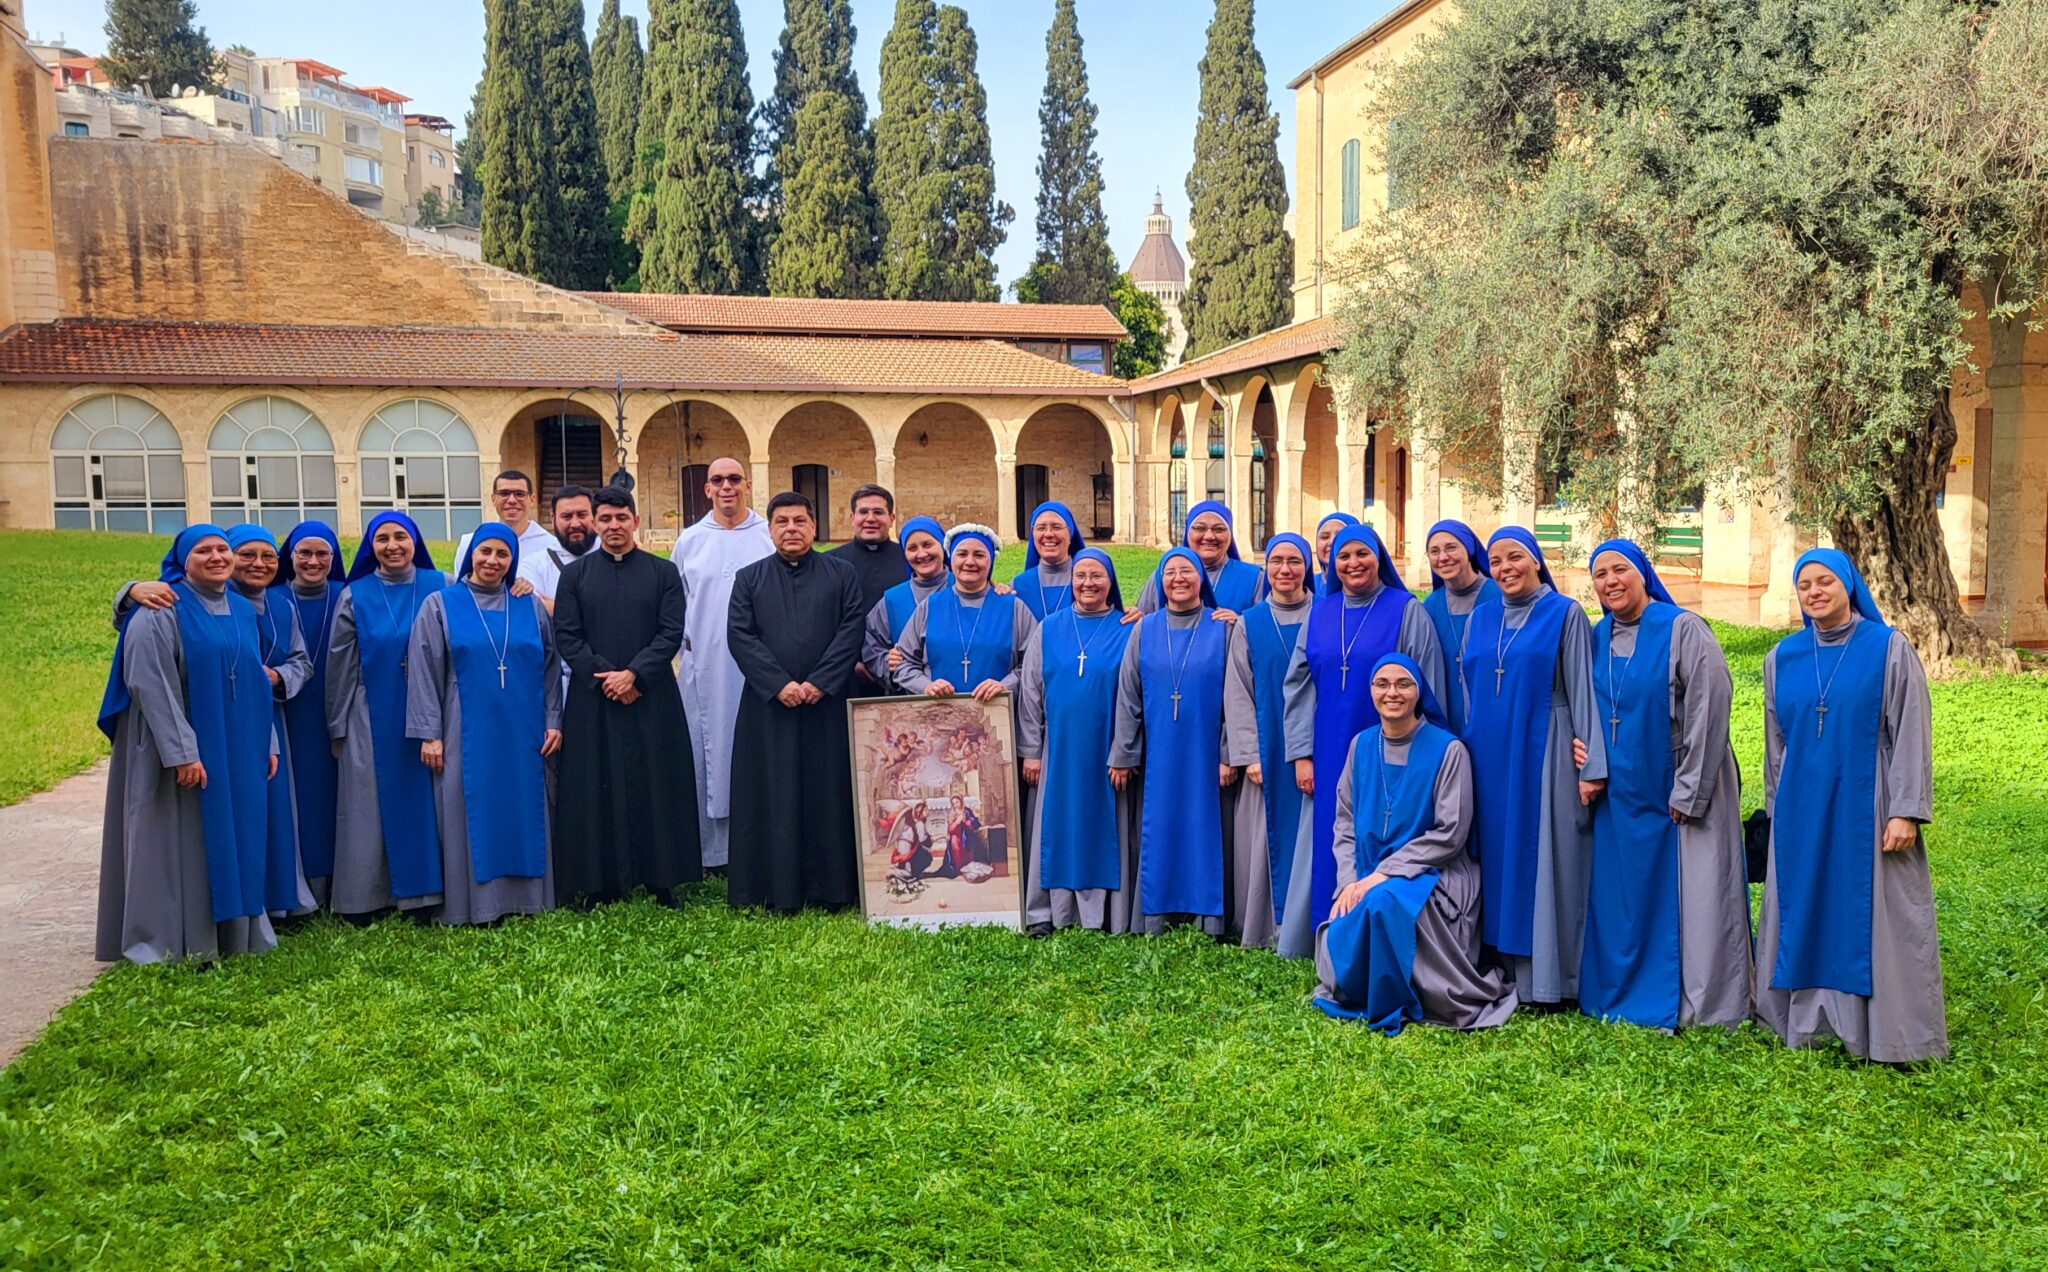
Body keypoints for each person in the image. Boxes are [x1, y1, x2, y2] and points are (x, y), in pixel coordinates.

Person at [1755, 548, 1945, 1063]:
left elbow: (1910, 730)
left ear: (1849, 585)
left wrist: (1905, 809)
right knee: (1806, 903)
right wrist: (1777, 809)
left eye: (1825, 582)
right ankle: (1809, 1022)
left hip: (1871, 800)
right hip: (1803, 805)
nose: (1814, 592)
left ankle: (1884, 1030)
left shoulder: (1888, 648)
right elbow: (1776, 743)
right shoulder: (1782, 657)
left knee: (1875, 912)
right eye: (1804, 585)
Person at [1579, 539, 1752, 1032]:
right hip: (1621, 790)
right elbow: (1583, 706)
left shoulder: (1683, 629)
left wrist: (1690, 789)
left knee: (1696, 893)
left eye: (1619, 570)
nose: (1610, 582)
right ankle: (1626, 990)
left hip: (1681, 777)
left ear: (1643, 574)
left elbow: (1709, 706)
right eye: (1599, 575)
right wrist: (1584, 753)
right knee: (1626, 896)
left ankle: (1702, 1003)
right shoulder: (1596, 636)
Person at [97, 524, 279, 963]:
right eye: (203, 551)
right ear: (182, 560)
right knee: (178, 844)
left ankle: (236, 935)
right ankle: (170, 940)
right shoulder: (160, 609)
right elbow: (149, 684)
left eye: (222, 549)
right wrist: (182, 753)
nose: (216, 557)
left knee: (237, 834)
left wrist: (268, 741)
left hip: (236, 744)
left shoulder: (241, 608)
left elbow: (254, 678)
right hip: (181, 748)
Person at [1312, 654, 1518, 1033]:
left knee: (1383, 901)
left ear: (1419, 691)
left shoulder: (1449, 750)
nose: (1392, 693)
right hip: (1369, 873)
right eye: (1382, 684)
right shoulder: (1361, 746)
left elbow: (1450, 833)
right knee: (1365, 901)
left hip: (1435, 872)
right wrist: (1349, 881)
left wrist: (1383, 875)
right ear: (1371, 691)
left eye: (1403, 684)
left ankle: (1395, 997)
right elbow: (1344, 823)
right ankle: (1361, 985)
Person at [1278, 522, 1446, 958]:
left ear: (1379, 558)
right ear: (1332, 563)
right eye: (1344, 556)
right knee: (1330, 834)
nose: (1353, 563)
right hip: (1328, 746)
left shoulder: (1406, 610)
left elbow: (1426, 682)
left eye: (1362, 554)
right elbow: (1298, 686)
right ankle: (1327, 927)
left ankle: (1377, 933)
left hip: (1392, 747)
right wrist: (1301, 753)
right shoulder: (1321, 611)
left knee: (1384, 829)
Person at [1463, 527, 1606, 1008]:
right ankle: (1497, 966)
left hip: (1545, 746)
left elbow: (1583, 687)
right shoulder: (1481, 617)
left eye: (1515, 557)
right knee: (1495, 853)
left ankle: (1547, 978)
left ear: (1537, 560)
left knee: (1547, 855)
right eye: (1496, 561)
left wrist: (1592, 765)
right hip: (1487, 753)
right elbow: (1469, 688)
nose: (1505, 568)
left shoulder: (1564, 613)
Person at [406, 523, 562, 926]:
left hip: (525, 728)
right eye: (485, 551)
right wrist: (429, 734)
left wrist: (553, 720)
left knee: (524, 805)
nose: (492, 561)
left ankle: (528, 900)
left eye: (502, 554)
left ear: (513, 560)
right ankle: (474, 905)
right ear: (471, 554)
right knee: (470, 807)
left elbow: (549, 668)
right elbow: (423, 670)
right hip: (463, 726)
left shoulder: (528, 605)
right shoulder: (441, 605)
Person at [554, 485, 702, 904]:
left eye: (622, 518)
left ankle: (662, 878)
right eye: (605, 519)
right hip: (594, 698)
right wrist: (608, 678)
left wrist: (634, 674)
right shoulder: (575, 576)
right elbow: (568, 635)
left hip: (651, 694)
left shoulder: (663, 573)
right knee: (595, 783)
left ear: (635, 521)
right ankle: (600, 882)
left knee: (656, 781)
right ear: (594, 524)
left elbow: (671, 632)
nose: (614, 526)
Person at [725, 491, 870, 912]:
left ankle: (833, 889)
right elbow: (740, 635)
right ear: (769, 530)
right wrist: (779, 684)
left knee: (829, 790)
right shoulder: (749, 578)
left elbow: (851, 628)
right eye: (782, 522)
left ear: (813, 526)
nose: (791, 529)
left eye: (799, 521)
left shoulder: (841, 574)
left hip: (827, 705)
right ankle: (774, 889)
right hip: (770, 707)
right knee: (773, 792)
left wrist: (821, 682)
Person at [1110, 548, 1256, 935]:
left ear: (1201, 579)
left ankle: (1208, 915)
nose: (1178, 578)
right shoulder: (1144, 629)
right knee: (1160, 826)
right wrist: (1124, 752)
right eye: (1170, 572)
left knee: (1204, 827)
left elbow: (1235, 696)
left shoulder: (1223, 627)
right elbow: (1128, 695)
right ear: (1160, 581)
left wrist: (1228, 753)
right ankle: (1158, 913)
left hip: (1205, 752)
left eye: (1187, 571)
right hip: (1158, 752)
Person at [327, 511, 446, 918]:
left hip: (435, 713)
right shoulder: (354, 595)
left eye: (401, 537)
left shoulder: (443, 585)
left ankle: (428, 894)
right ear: (370, 546)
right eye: (383, 539)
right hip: (369, 713)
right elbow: (340, 666)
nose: (393, 545)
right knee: (368, 804)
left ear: (415, 542)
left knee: (430, 801)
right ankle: (368, 898)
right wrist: (337, 726)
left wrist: (519, 583)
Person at [1018, 547, 1137, 934]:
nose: (1088, 583)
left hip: (1106, 749)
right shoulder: (1048, 628)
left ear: (1110, 582)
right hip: (1059, 750)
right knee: (1056, 828)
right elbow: (1031, 692)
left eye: (1097, 576)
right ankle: (1047, 912)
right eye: (1081, 576)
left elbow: (1134, 696)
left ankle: (1104, 915)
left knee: (1103, 828)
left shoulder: (1127, 629)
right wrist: (1031, 751)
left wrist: (1124, 751)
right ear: (1071, 581)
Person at [668, 457, 774, 869]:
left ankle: (758, 844)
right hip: (705, 667)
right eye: (718, 480)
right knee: (705, 755)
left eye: (734, 479)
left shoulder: (768, 535)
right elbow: (676, 605)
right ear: (707, 489)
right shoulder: (690, 541)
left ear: (747, 485)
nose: (726, 486)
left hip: (760, 669)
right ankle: (712, 851)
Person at [1226, 532, 1315, 951]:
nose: (1285, 569)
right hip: (1266, 746)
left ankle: (1308, 922)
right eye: (1277, 561)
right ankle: (1266, 926)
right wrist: (1250, 754)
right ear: (1266, 569)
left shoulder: (1325, 613)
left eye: (1294, 561)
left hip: (1314, 746)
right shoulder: (1249, 622)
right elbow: (1238, 692)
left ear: (1307, 567)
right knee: (1266, 838)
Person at [225, 524, 316, 917]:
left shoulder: (282, 606)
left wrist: (277, 676)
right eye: (247, 555)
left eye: (267, 556)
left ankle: (276, 901)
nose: (258, 564)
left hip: (269, 717)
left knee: (274, 808)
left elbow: (302, 662)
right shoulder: (213, 599)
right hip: (224, 719)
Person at [275, 521, 346, 904]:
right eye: (304, 553)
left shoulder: (347, 595)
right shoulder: (271, 598)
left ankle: (335, 883)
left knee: (331, 797)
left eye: (322, 554)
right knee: (293, 796)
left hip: (336, 708)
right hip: (286, 710)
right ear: (290, 556)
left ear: (334, 558)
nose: (313, 561)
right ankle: (293, 884)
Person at [892, 526, 1036, 702]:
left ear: (991, 560)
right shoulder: (929, 607)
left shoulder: (1014, 608)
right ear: (951, 559)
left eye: (979, 555)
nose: (970, 562)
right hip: (938, 712)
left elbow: (1034, 663)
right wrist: (925, 686)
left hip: (997, 713)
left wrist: (1006, 686)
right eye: (962, 554)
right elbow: (903, 663)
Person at [1419, 519, 1502, 735]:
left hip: (1493, 712)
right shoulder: (1430, 606)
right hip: (1446, 714)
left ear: (1469, 548)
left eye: (1451, 548)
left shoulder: (1500, 596)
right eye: (1434, 551)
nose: (1443, 557)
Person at [862, 515, 948, 689]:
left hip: (964, 692)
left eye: (928, 545)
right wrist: (885, 661)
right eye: (912, 548)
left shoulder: (967, 589)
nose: (921, 554)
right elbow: (871, 644)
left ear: (943, 546)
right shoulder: (893, 599)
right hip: (910, 695)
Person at [1134, 501, 1265, 615]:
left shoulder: (1254, 578)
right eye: (1200, 528)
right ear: (1187, 533)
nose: (1209, 536)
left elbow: (1267, 626)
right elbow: (1141, 623)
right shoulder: (1163, 576)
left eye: (1219, 529)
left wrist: (1241, 623)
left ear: (1230, 536)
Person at [455, 470, 564, 605]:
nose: (512, 500)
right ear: (493, 498)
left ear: (532, 499)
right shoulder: (470, 543)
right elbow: (461, 590)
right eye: (504, 493)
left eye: (519, 494)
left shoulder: (551, 546)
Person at [840, 483, 910, 615]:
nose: (870, 519)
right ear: (852, 518)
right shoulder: (831, 563)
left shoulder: (909, 559)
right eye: (863, 512)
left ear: (891, 519)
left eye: (878, 512)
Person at [1011, 500, 1084, 619]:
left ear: (1070, 533)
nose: (1048, 534)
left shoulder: (1088, 583)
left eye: (1056, 527)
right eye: (1041, 528)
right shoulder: (1017, 586)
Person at [548, 486, 599, 563]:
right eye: (567, 516)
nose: (575, 524)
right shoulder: (536, 566)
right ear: (553, 519)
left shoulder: (614, 558)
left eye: (582, 515)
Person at [1313, 512, 1359, 578]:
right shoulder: (1306, 583)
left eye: (1340, 536)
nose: (1332, 542)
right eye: (1325, 537)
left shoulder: (1367, 583)